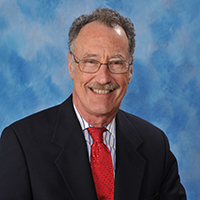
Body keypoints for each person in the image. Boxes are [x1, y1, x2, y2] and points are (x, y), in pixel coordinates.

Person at [0, 8, 186, 200]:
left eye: (116, 62)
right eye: (91, 61)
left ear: (130, 70)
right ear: (71, 65)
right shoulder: (21, 144)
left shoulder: (155, 145)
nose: (103, 78)